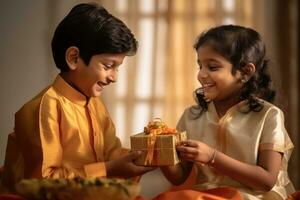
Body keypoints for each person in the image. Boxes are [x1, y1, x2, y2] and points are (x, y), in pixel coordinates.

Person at [0, 2, 153, 193]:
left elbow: (112, 154)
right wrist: (108, 169)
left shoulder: (96, 105)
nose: (114, 77)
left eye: (117, 67)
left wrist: (147, 154)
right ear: (73, 58)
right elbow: (42, 182)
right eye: (107, 66)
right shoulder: (43, 108)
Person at [157, 25, 295, 200]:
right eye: (200, 66)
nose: (201, 75)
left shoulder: (269, 115)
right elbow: (178, 177)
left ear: (245, 72)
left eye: (212, 67)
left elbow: (266, 181)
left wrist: (212, 157)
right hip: (206, 196)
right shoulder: (191, 116)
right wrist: (159, 151)